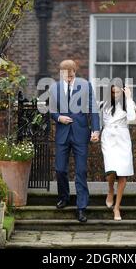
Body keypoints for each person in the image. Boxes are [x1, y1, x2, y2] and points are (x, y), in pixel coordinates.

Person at [48, 59, 100, 223]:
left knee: (81, 171)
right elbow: (51, 110)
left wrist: (96, 130)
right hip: (62, 134)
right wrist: (58, 117)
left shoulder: (85, 85)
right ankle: (64, 197)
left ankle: (81, 207)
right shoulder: (54, 88)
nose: (69, 79)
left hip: (80, 133)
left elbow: (93, 108)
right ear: (61, 74)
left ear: (75, 73)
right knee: (60, 169)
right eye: (66, 76)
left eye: (71, 76)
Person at [99, 79, 136, 221]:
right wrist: (95, 133)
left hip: (123, 139)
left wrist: (129, 97)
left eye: (118, 92)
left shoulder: (128, 104)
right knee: (111, 170)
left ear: (123, 91)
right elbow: (99, 122)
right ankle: (110, 189)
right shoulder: (104, 105)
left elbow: (132, 118)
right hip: (108, 139)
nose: (116, 95)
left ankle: (117, 207)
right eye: (113, 92)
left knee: (123, 173)